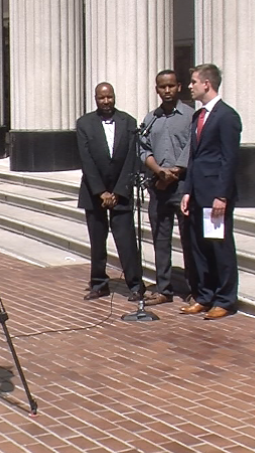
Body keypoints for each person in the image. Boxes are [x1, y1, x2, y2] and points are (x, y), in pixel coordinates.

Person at [180, 64, 242, 319]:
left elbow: (229, 160)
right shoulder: (198, 116)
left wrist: (222, 196)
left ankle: (225, 299)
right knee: (199, 248)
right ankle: (204, 296)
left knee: (219, 247)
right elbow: (194, 158)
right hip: (197, 194)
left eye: (193, 81)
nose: (189, 86)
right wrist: (187, 191)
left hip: (216, 196)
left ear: (207, 84)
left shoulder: (227, 117)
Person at [76, 82, 145, 301]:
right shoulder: (84, 124)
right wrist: (100, 192)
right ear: (95, 99)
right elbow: (86, 160)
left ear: (114, 97)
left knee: (126, 240)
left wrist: (118, 191)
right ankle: (99, 283)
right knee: (97, 241)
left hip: (120, 191)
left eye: (109, 97)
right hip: (93, 192)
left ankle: (135, 284)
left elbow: (131, 160)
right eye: (101, 98)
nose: (106, 102)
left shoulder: (129, 122)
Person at [139, 70, 198, 306]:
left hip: (182, 186)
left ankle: (195, 288)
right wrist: (158, 171)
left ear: (179, 87)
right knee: (160, 238)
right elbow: (142, 149)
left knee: (188, 239)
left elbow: (192, 149)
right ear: (156, 89)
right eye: (162, 87)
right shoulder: (150, 118)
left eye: (171, 86)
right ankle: (164, 287)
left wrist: (172, 173)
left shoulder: (190, 116)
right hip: (158, 186)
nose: (167, 91)